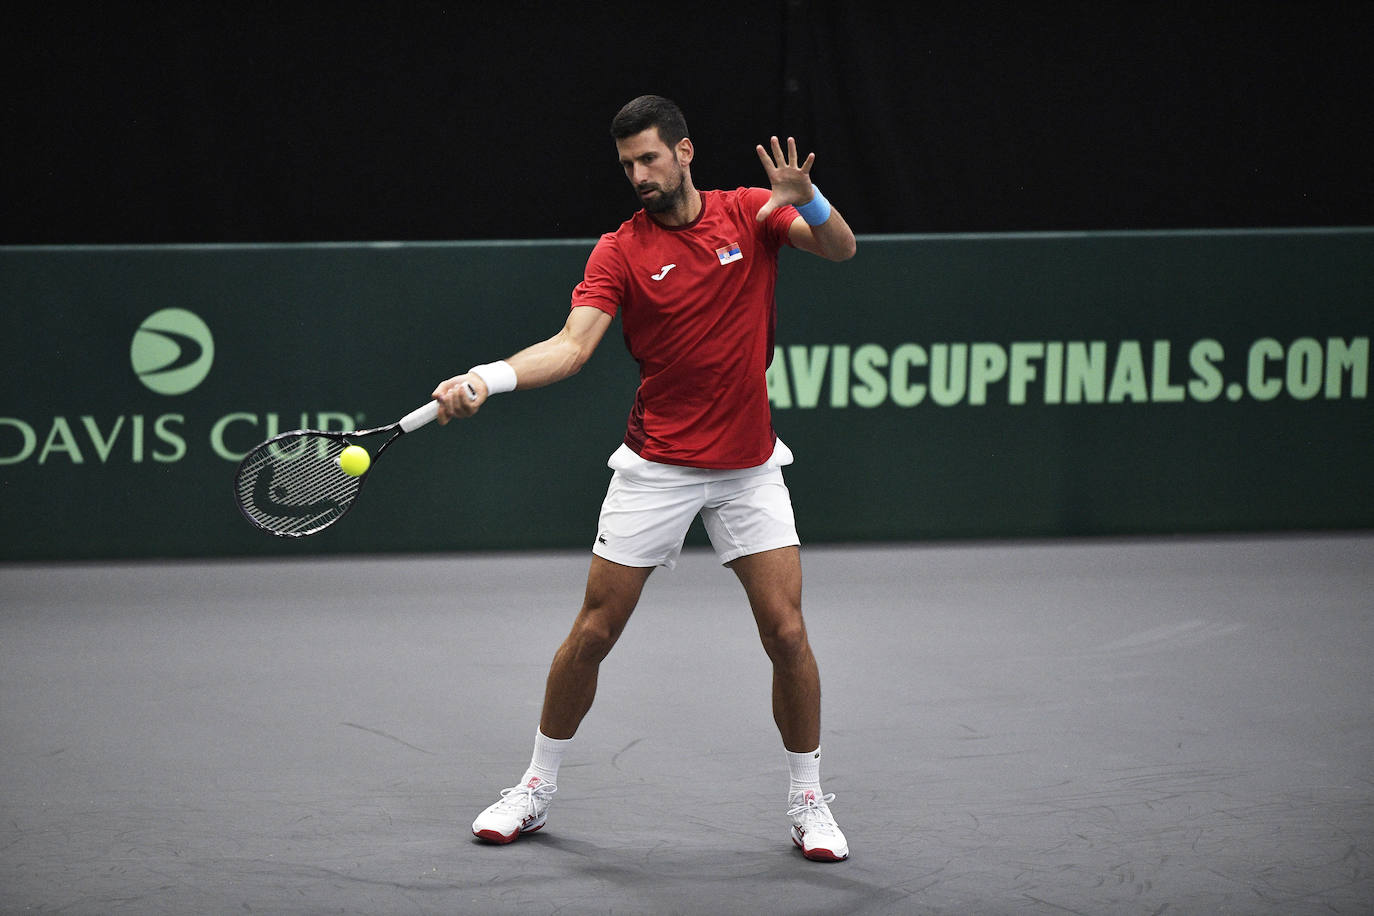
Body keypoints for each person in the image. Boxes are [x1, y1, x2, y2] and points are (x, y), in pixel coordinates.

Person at [430, 94, 857, 862]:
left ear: (685, 151)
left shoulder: (753, 213)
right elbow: (570, 345)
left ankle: (807, 800)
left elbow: (841, 250)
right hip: (656, 466)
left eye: (650, 158)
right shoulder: (619, 251)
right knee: (593, 633)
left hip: (749, 467)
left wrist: (811, 202)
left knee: (788, 632)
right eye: (628, 164)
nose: (639, 175)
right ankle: (534, 786)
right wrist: (486, 379)